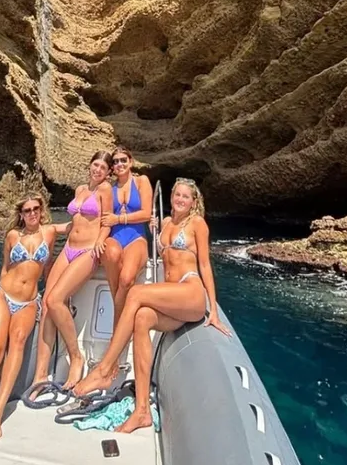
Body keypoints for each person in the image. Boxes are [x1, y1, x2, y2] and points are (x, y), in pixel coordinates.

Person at [73, 177, 230, 432]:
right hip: (173, 299)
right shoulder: (166, 223)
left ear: (193, 202)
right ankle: (142, 411)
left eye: (185, 197)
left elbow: (204, 265)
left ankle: (105, 369)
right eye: (177, 195)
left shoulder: (197, 224)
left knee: (135, 294)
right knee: (142, 318)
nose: (180, 199)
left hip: (190, 292)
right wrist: (155, 231)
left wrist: (213, 311)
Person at [0, 194, 66, 444]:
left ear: (41, 210)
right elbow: (5, 267)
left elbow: (49, 267)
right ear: (21, 214)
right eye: (27, 210)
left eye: (36, 209)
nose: (32, 213)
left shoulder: (49, 233)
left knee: (19, 344)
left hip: (29, 300)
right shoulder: (13, 236)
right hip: (3, 295)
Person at [32, 151, 114, 390]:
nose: (98, 170)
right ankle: (40, 374)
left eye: (103, 167)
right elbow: (74, 224)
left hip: (88, 251)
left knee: (57, 299)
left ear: (108, 172)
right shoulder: (80, 190)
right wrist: (49, 228)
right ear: (89, 165)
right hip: (69, 248)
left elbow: (107, 220)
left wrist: (102, 239)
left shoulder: (105, 190)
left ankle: (75, 356)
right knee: (47, 302)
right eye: (95, 165)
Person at [101, 146, 153, 327]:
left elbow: (146, 213)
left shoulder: (141, 181)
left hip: (136, 237)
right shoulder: (108, 188)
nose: (119, 164)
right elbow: (104, 217)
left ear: (131, 162)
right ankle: (120, 322)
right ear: (112, 168)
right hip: (114, 236)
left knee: (126, 279)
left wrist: (119, 218)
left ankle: (117, 323)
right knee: (111, 255)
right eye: (115, 162)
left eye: (123, 160)